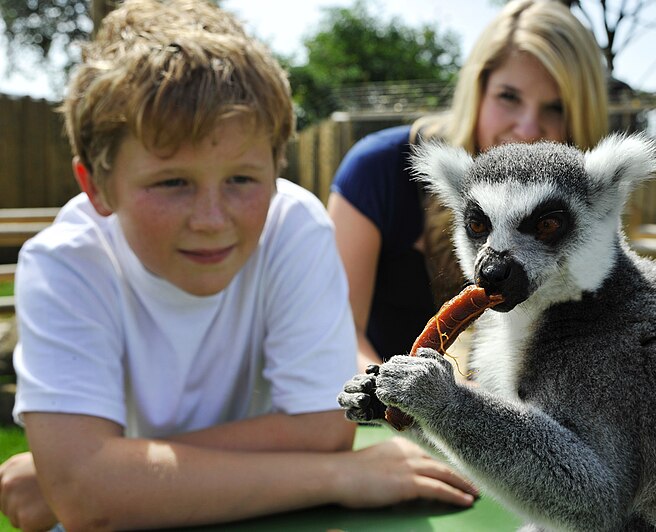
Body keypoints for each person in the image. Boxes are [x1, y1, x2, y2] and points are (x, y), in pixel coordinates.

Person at [0, 1, 478, 530]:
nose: (211, 220)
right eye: (171, 182)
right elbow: (90, 502)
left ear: (277, 169)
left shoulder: (293, 226)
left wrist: (103, 464)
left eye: (242, 180)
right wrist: (338, 477)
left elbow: (324, 427)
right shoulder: (63, 263)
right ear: (96, 186)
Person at [327, 0, 610, 371]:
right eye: (509, 97)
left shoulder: (579, 213)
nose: (526, 129)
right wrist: (412, 402)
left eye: (554, 108)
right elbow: (336, 333)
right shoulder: (379, 168)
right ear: (478, 89)